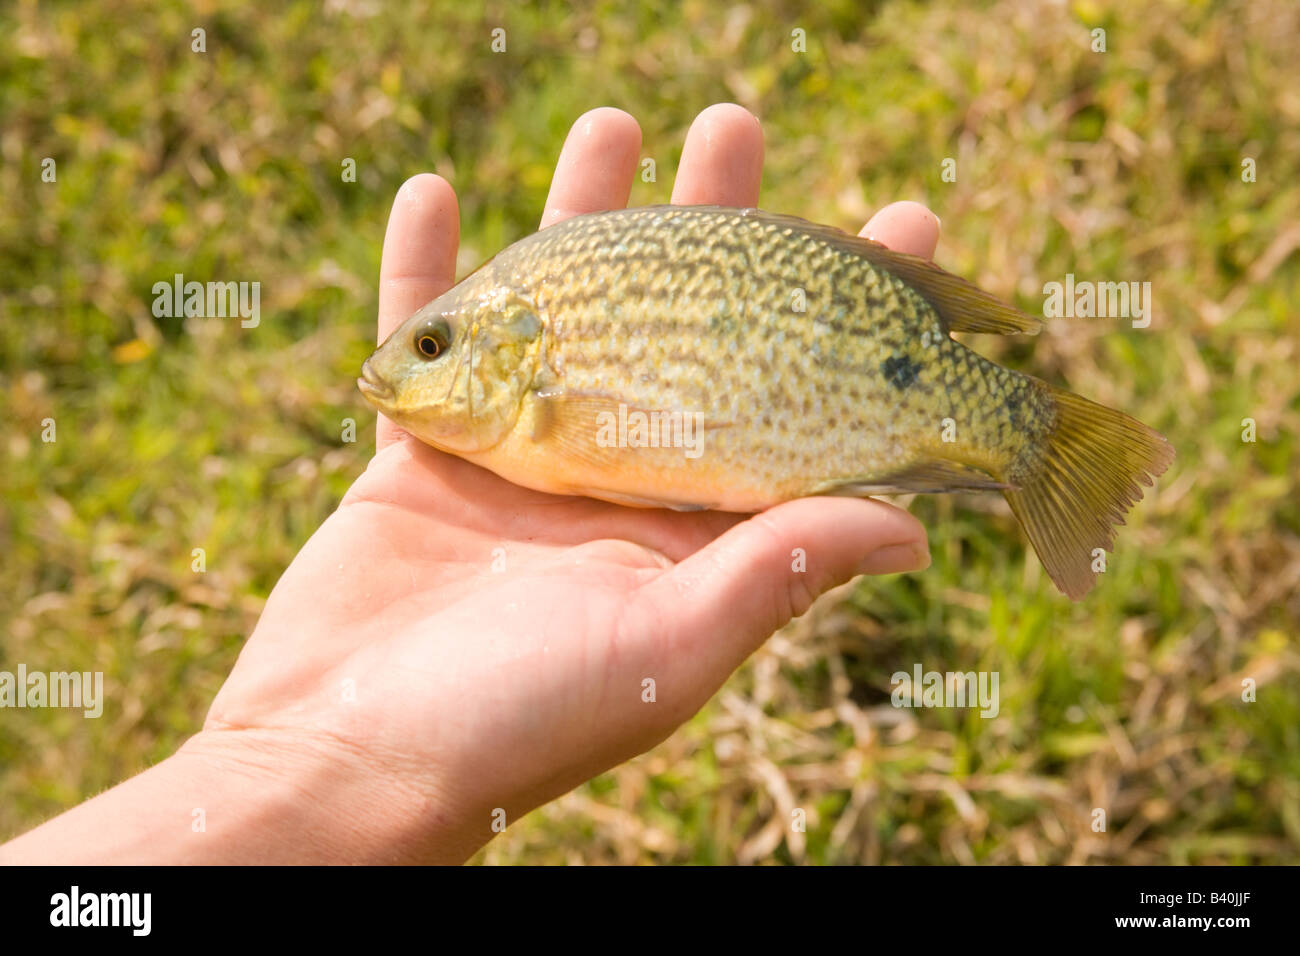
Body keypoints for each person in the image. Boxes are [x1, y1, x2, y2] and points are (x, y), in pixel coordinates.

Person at [1, 104, 934, 864]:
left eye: (433, 345)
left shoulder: (539, 409)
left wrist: (289, 776)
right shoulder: (516, 420)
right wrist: (305, 765)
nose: (403, 368)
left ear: (517, 354)